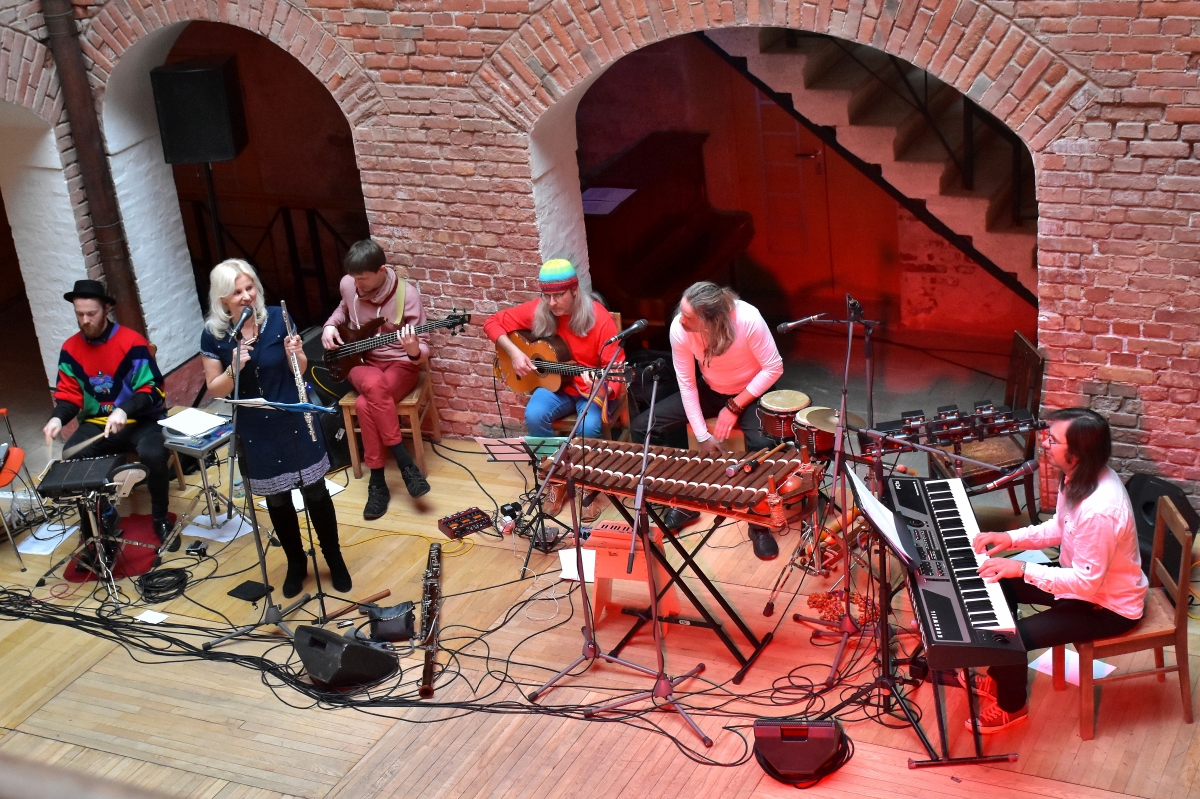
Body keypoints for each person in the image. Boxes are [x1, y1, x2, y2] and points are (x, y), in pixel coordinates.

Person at [971, 408, 1146, 733]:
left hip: (1107, 607)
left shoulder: (1100, 510)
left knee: (1010, 637)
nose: (1044, 443)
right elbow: (1059, 528)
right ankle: (1002, 675)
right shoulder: (1078, 476)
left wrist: (1022, 568)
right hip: (1080, 583)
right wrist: (1010, 538)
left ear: (1077, 452)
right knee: (995, 581)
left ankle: (1012, 706)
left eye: (1052, 440)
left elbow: (1086, 584)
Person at [200, 259, 350, 598]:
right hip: (256, 429)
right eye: (237, 292)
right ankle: (296, 562)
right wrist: (233, 369)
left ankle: (334, 557)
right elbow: (215, 389)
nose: (247, 296)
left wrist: (297, 354)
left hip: (292, 418)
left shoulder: (277, 318)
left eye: (250, 288)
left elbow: (300, 369)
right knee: (278, 499)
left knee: (315, 491)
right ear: (223, 299)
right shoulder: (214, 335)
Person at [630, 282, 784, 559]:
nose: (680, 318)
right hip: (711, 389)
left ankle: (758, 523)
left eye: (688, 315)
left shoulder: (748, 318)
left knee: (762, 444)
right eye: (682, 311)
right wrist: (702, 434)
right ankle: (680, 500)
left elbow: (774, 367)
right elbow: (687, 384)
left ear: (711, 320)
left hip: (752, 392)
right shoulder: (679, 329)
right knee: (644, 427)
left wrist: (734, 407)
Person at [483, 258, 624, 517]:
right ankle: (555, 478)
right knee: (534, 414)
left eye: (559, 295)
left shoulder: (600, 319)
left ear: (574, 290)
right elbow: (492, 322)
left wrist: (602, 385)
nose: (552, 303)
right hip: (556, 386)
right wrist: (514, 353)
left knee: (589, 426)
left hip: (589, 390)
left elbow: (617, 371)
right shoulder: (542, 309)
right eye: (546, 296)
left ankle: (587, 486)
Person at [43, 279, 175, 549]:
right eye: (80, 314)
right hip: (97, 424)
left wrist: (124, 410)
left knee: (153, 454)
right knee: (71, 458)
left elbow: (153, 390)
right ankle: (102, 517)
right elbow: (69, 395)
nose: (85, 320)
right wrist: (57, 418)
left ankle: (161, 518)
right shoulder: (70, 349)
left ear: (106, 309)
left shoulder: (132, 342)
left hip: (142, 420)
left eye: (91, 313)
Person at [322, 240, 431, 520]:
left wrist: (413, 350)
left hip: (400, 364)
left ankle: (378, 482)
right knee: (371, 384)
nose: (356, 285)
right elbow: (341, 310)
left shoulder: (407, 296)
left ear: (381, 270)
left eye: (363, 278)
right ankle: (406, 464)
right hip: (359, 362)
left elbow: (424, 346)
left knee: (364, 405)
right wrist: (329, 326)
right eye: (353, 278)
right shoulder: (349, 285)